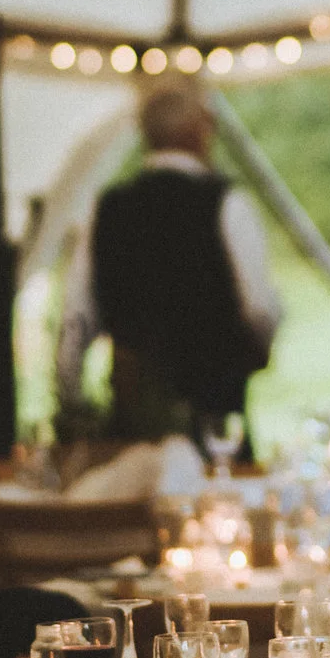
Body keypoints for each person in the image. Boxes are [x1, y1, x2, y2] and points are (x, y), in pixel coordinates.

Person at [55, 85, 281, 451]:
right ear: (200, 132)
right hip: (213, 417)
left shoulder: (108, 208)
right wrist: (253, 355)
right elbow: (258, 309)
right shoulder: (227, 203)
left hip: (131, 424)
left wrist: (72, 402)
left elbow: (77, 316)